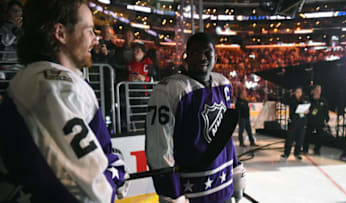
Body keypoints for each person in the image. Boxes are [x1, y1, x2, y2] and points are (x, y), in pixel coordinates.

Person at [0, 0, 127, 202]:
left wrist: (109, 167)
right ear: (60, 33)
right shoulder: (53, 87)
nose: (95, 40)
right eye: (89, 30)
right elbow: (91, 191)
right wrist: (111, 176)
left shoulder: (47, 80)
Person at [146, 33, 246, 203]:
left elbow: (224, 137)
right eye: (194, 52)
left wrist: (236, 170)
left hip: (223, 187)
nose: (202, 57)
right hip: (192, 193)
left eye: (207, 52)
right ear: (186, 56)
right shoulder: (167, 90)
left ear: (215, 55)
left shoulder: (223, 85)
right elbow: (160, 148)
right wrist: (171, 192)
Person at [281, 87, 310, 160]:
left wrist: (307, 111)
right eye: (297, 92)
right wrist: (288, 93)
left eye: (300, 92)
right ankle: (286, 153)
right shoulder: (291, 100)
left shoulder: (304, 99)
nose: (298, 93)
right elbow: (284, 101)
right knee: (289, 139)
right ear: (294, 92)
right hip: (293, 122)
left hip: (302, 122)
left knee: (300, 139)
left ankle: (297, 153)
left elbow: (308, 108)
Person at [303, 85, 329, 155]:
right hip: (310, 120)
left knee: (320, 136)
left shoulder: (322, 100)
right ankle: (305, 149)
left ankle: (317, 149)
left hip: (320, 121)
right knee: (307, 135)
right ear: (313, 91)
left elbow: (326, 110)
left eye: (319, 90)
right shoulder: (309, 99)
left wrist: (327, 119)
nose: (318, 91)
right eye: (317, 90)